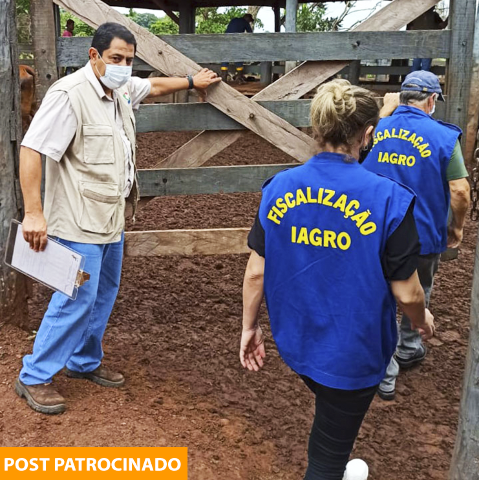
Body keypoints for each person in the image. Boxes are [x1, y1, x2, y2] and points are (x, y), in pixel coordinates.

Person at [15, 22, 221, 415]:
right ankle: (34, 375)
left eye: (128, 60)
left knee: (104, 293)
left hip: (111, 217)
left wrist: (192, 80)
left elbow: (155, 87)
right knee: (76, 296)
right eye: (116, 58)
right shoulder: (69, 95)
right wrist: (34, 212)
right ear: (94, 56)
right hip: (77, 219)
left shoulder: (120, 88)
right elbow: (32, 149)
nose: (123, 66)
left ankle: (82, 362)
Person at [240, 79, 435, 480]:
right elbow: (407, 290)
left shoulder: (279, 187)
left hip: (298, 339)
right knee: (326, 454)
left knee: (330, 422)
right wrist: (421, 320)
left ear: (317, 129)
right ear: (367, 134)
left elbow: (257, 270)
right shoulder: (389, 199)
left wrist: (249, 326)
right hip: (353, 352)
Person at [362, 71, 470, 401]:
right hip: (421, 234)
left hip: (375, 230)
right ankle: (407, 348)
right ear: (432, 100)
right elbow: (460, 190)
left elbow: (354, 158)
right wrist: (457, 226)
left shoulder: (375, 130)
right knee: (418, 289)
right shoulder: (443, 137)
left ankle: (384, 367)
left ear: (400, 97)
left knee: (380, 295)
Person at [407, 7, 448, 72]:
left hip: (421, 43)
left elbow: (409, 29)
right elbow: (441, 26)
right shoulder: (432, 15)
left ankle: (414, 80)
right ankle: (421, 80)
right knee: (423, 65)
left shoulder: (415, 15)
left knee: (417, 64)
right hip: (426, 43)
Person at [220, 13, 254, 83]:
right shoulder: (245, 22)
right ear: (247, 18)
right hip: (235, 41)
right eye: (250, 21)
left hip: (226, 40)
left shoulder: (234, 20)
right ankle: (239, 77)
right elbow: (250, 33)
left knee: (225, 57)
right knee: (238, 58)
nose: (249, 22)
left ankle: (224, 76)